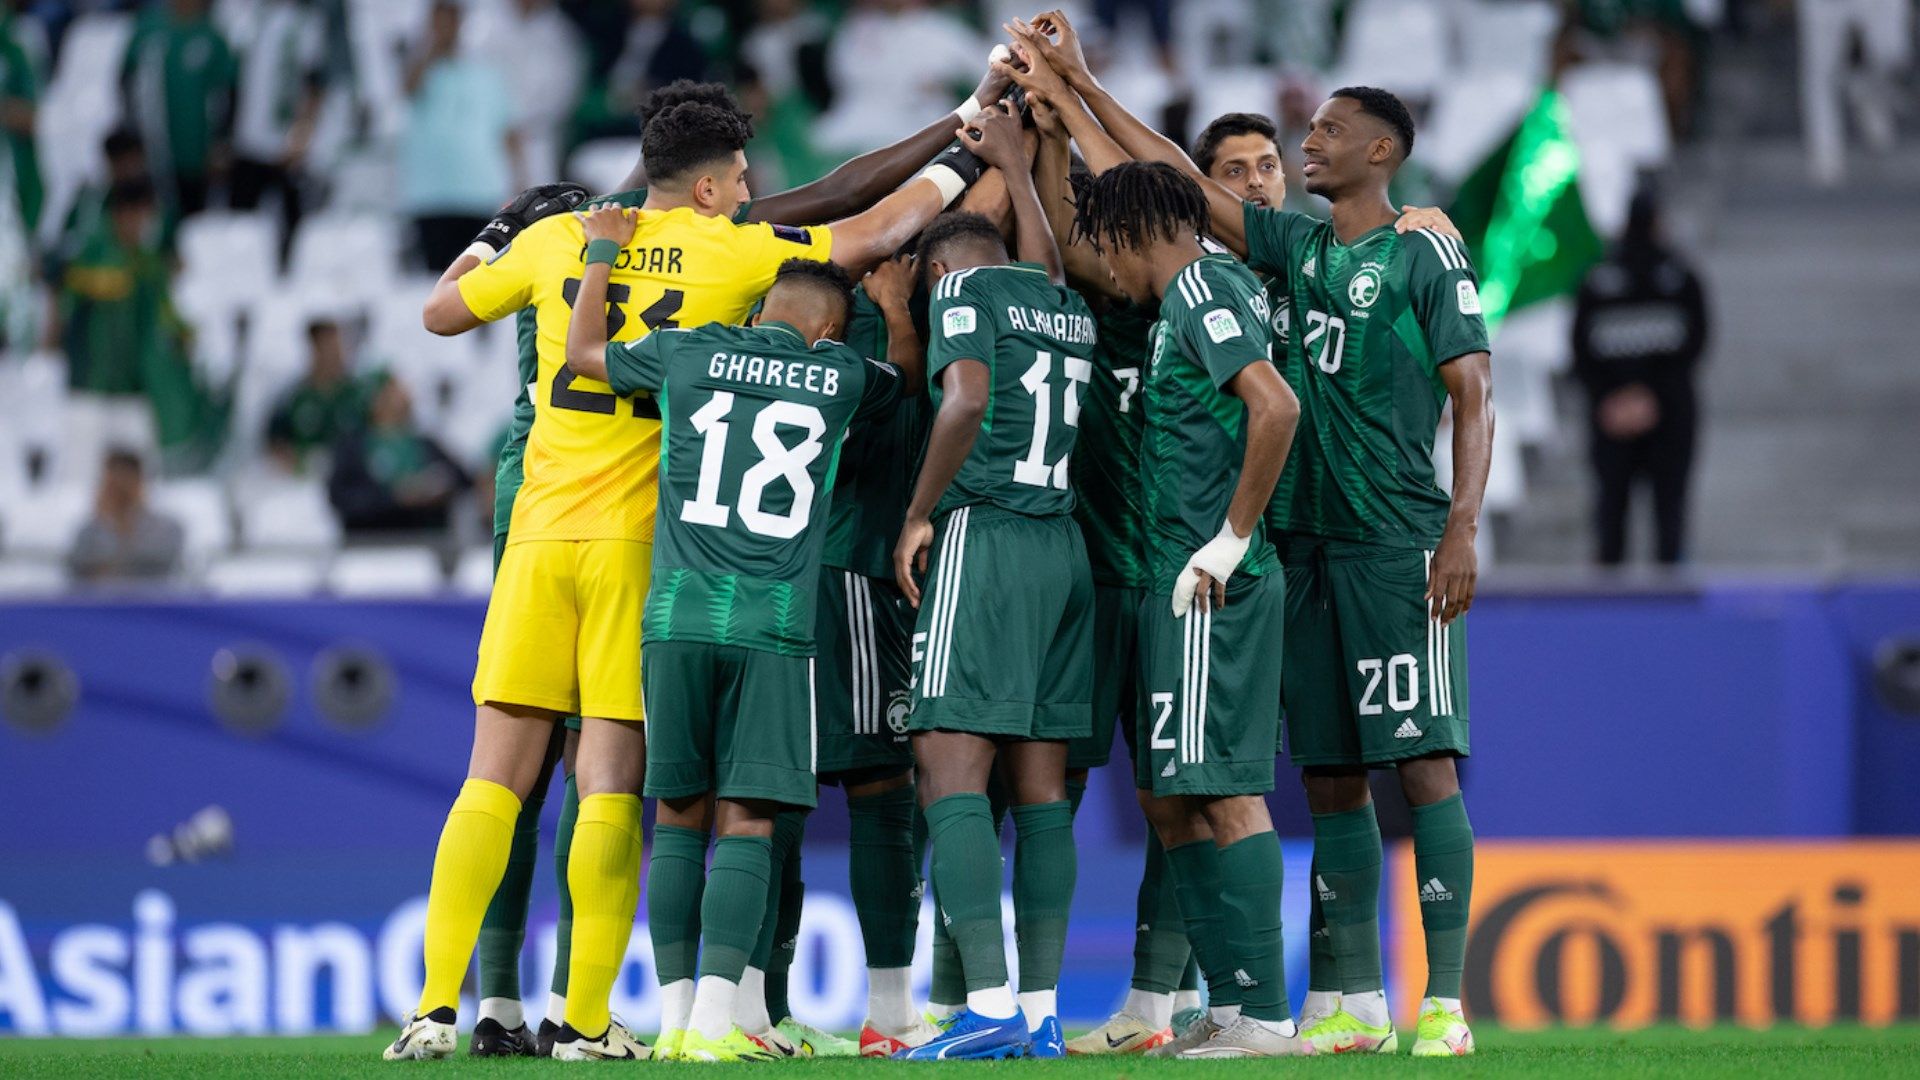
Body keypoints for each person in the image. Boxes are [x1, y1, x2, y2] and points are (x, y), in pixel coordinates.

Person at [387, 90, 988, 1061]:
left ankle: (433, 1007)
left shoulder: (559, 240)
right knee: (609, 783)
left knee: (492, 777)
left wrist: (497, 235)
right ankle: (586, 1022)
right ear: (707, 188)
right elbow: (879, 228)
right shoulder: (736, 251)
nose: (749, 193)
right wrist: (967, 143)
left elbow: (440, 310)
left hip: (537, 535)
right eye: (741, 179)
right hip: (637, 549)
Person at [567, 244, 913, 1061]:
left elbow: (584, 355)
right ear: (828, 333)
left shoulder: (688, 350)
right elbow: (902, 376)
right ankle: (721, 1022)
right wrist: (895, 306)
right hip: (773, 624)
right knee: (749, 820)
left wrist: (601, 258)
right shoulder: (839, 375)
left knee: (678, 816)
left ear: (759, 313)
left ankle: (677, 1023)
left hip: (675, 617)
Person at [1072, 160, 1304, 1059]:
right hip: (1177, 576)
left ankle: (1268, 1016)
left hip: (1213, 580)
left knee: (1227, 792)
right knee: (1170, 795)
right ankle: (1229, 1002)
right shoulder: (1181, 302)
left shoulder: (1204, 287)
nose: (1106, 267)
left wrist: (1230, 539)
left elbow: (1275, 407)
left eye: (1106, 245)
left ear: (1131, 232)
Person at [889, 103, 1092, 1062]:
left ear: (938, 276)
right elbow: (1045, 260)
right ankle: (1041, 1012)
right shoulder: (1061, 300)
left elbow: (965, 396)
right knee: (1042, 791)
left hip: (989, 534)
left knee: (945, 764)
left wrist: (919, 511)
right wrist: (1018, 155)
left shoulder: (962, 292)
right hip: (1063, 547)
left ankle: (988, 1006)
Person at [1570, 184, 1708, 567]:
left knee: (1620, 515)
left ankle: (1615, 595)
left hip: (1624, 415)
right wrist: (1647, 399)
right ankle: (1666, 590)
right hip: (1656, 415)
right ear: (1658, 223)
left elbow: (1580, 351)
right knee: (1658, 512)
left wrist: (1616, 399)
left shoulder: (1599, 279)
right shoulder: (1678, 278)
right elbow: (1696, 343)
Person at [400, 1, 517, 270]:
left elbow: (508, 128)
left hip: (479, 194)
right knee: (433, 279)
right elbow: (408, 90)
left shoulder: (486, 72)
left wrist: (518, 180)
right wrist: (430, 51)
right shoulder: (419, 70)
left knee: (478, 276)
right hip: (430, 196)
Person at [227, 0, 330, 259]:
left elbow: (314, 84)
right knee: (241, 224)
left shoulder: (305, 23)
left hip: (285, 144)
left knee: (292, 230)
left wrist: (301, 135)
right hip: (247, 141)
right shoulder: (250, 18)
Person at [120, 0, 236, 220]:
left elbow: (226, 93)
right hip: (152, 146)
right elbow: (126, 81)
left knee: (193, 216)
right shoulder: (147, 29)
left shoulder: (212, 37)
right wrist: (133, 134)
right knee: (154, 218)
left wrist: (220, 144)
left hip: (196, 149)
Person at [326, 373, 469, 534]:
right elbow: (341, 497)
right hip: (370, 539)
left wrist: (435, 487)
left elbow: (461, 478)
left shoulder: (425, 444)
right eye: (392, 393)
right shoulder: (353, 448)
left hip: (422, 537)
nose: (402, 397)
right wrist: (394, 497)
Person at [266, 319, 373, 474]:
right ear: (315, 348)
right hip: (302, 479)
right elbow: (274, 442)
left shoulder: (357, 394)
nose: (336, 353)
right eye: (328, 347)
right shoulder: (294, 396)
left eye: (339, 346)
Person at [66, 448, 184, 587]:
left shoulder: (167, 530)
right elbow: (77, 573)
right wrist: (108, 521)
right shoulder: (89, 533)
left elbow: (158, 568)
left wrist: (125, 526)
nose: (119, 493)